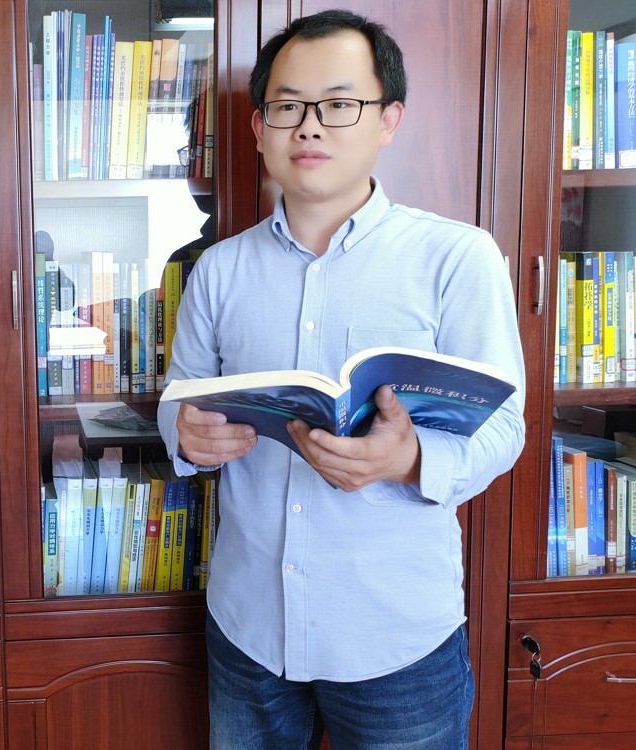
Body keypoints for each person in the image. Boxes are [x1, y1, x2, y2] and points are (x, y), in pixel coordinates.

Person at [157, 9, 525, 750]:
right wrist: (188, 436)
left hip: (396, 639)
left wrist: (408, 458)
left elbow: (504, 430)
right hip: (249, 627)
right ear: (258, 127)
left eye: (338, 105)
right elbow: (180, 404)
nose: (309, 127)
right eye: (287, 106)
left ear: (388, 120)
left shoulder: (457, 257)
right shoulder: (217, 270)